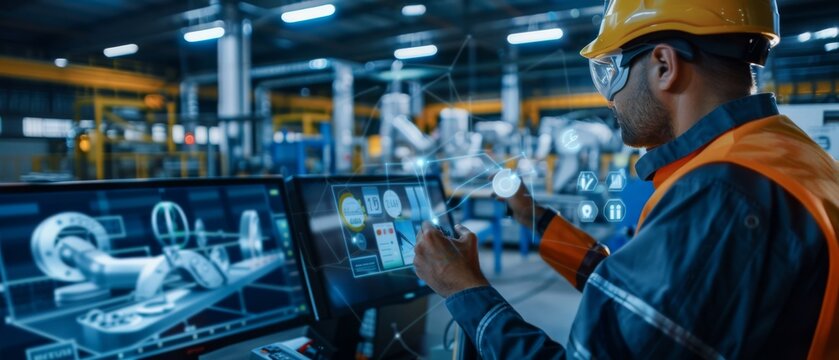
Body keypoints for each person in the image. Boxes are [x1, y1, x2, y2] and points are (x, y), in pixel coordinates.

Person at [413, 0, 839, 358]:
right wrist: (537, 220)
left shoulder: (722, 193)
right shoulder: (784, 153)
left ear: (663, 65)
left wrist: (465, 292)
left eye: (613, 72)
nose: (612, 98)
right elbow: (647, 299)